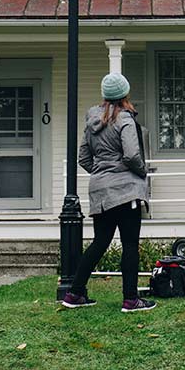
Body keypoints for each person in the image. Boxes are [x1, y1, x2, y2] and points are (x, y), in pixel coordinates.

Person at [62, 73, 156, 312]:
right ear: (125, 94)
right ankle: (131, 299)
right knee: (130, 244)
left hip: (100, 189)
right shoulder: (125, 119)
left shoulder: (92, 120)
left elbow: (83, 157)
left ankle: (74, 293)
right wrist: (141, 172)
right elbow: (132, 155)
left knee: (100, 242)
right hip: (125, 190)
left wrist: (103, 173)